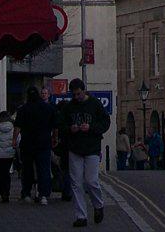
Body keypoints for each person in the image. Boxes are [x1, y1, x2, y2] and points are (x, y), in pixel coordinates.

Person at [59, 78, 110, 227]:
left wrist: (91, 127)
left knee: (91, 181)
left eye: (78, 94)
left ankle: (98, 205)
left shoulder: (95, 104)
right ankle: (81, 216)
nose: (76, 97)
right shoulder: (68, 107)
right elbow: (60, 124)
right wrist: (70, 129)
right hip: (74, 148)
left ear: (84, 90)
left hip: (92, 148)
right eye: (74, 95)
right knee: (76, 183)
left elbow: (105, 122)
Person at [13, 86, 56, 206]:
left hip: (27, 143)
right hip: (43, 143)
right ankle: (43, 195)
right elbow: (55, 126)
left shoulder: (23, 109)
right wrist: (54, 138)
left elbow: (17, 127)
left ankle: (26, 193)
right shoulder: (48, 108)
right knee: (44, 170)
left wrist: (14, 140)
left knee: (27, 169)